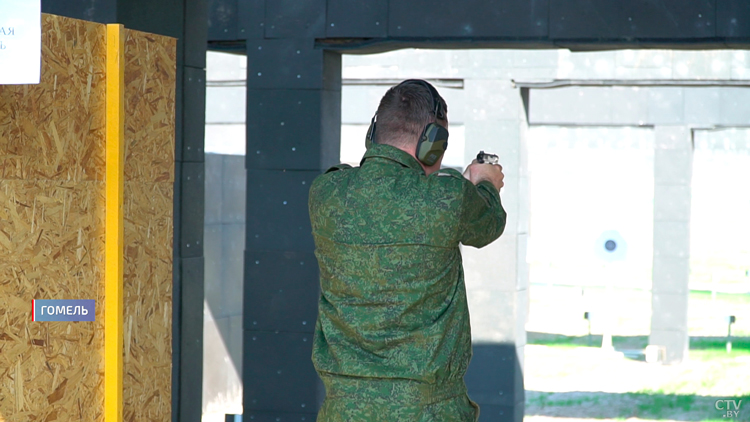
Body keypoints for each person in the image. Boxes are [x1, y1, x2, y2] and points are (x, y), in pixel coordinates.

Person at [308, 79, 507, 422]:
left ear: (374, 133)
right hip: (426, 411)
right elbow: (489, 223)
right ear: (433, 143)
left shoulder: (326, 192)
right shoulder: (449, 198)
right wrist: (485, 182)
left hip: (342, 410)